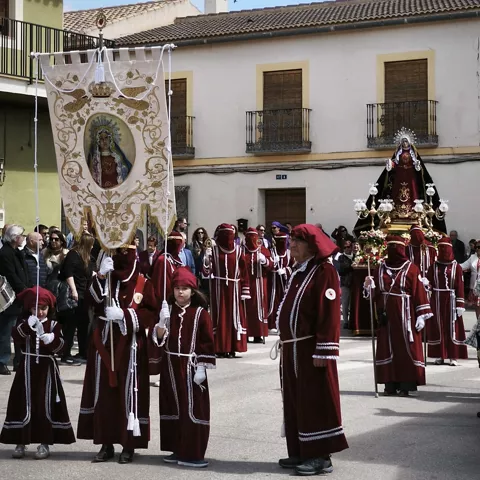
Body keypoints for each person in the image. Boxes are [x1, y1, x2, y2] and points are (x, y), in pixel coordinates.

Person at [274, 224, 348, 475]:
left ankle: (320, 456)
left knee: (315, 401)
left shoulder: (324, 271)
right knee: (296, 401)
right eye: (291, 240)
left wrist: (324, 350)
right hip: (293, 350)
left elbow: (329, 313)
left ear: (312, 245)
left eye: (297, 241)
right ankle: (300, 451)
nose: (291, 245)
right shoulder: (300, 271)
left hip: (311, 350)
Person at [78, 245, 158, 464]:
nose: (121, 256)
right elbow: (90, 302)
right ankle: (106, 443)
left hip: (130, 345)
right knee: (104, 394)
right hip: (103, 343)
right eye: (117, 251)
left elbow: (151, 313)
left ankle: (129, 443)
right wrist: (101, 275)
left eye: (126, 251)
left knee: (129, 393)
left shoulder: (143, 282)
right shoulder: (106, 276)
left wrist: (124, 315)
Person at [0, 287, 75, 459]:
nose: (40, 312)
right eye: (36, 308)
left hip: (46, 371)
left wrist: (52, 339)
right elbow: (15, 336)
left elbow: (62, 348)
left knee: (44, 404)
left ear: (49, 308)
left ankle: (45, 442)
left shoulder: (54, 325)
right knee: (23, 403)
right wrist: (27, 325)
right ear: (30, 308)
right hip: (26, 368)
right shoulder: (25, 322)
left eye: (43, 308)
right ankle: (21, 441)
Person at [153, 267, 215, 468]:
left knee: (192, 408)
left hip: (191, 367)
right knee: (173, 406)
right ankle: (177, 447)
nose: (180, 292)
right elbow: (159, 340)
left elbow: (207, 343)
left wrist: (201, 368)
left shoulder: (200, 313)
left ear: (193, 291)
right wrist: (161, 323)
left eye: (185, 289)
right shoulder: (168, 312)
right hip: (171, 366)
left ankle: (193, 453)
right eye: (177, 288)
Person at [365, 235, 433, 396]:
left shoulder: (411, 268)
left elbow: (418, 292)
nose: (393, 251)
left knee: (405, 348)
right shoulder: (380, 267)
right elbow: (375, 294)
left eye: (396, 248)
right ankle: (390, 384)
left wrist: (421, 315)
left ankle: (406, 384)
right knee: (387, 347)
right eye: (390, 248)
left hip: (406, 315)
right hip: (386, 315)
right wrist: (369, 285)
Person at [354, 132, 447, 235]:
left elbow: (418, 167)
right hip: (399, 176)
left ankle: (413, 212)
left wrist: (416, 165)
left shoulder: (413, 152)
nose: (405, 143)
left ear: (409, 142)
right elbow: (394, 163)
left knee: (412, 194)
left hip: (410, 177)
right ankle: (395, 212)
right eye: (403, 141)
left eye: (406, 141)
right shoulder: (398, 152)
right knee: (397, 194)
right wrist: (390, 164)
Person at [203, 223, 250, 358]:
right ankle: (220, 347)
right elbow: (206, 272)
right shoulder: (214, 250)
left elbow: (244, 271)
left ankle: (233, 347)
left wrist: (245, 290)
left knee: (233, 317)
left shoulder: (239, 250)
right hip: (219, 287)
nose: (227, 238)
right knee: (220, 316)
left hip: (234, 288)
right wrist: (206, 258)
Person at [426, 237, 468, 366]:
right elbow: (429, 284)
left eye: (445, 248)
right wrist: (425, 284)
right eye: (441, 249)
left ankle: (453, 356)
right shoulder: (433, 266)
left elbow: (460, 286)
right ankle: (440, 355)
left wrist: (460, 304)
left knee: (452, 328)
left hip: (451, 299)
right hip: (437, 298)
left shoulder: (456, 267)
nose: (443, 251)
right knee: (438, 327)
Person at [57, 232, 95, 365]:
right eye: (91, 245)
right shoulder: (73, 255)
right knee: (70, 325)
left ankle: (82, 352)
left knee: (83, 324)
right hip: (74, 294)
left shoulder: (88, 257)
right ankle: (65, 353)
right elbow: (68, 273)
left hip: (84, 294)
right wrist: (73, 290)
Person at [0, 224, 30, 375]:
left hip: (19, 297)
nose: (23, 239)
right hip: (9, 298)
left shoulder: (17, 252)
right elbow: (11, 275)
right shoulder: (5, 253)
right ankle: (2, 361)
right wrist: (23, 290)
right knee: (6, 330)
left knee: (18, 328)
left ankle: (18, 359)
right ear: (15, 238)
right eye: (21, 236)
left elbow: (23, 271)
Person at [242, 228, 272, 343]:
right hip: (245, 282)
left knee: (258, 307)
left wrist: (264, 261)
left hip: (259, 283)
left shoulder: (263, 250)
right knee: (246, 308)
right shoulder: (242, 251)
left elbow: (272, 266)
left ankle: (258, 334)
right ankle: (246, 333)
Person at [87, 118, 132, 189]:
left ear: (110, 139)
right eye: (101, 138)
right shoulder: (95, 159)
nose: (104, 141)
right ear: (98, 141)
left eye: (106, 138)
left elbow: (124, 174)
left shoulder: (117, 157)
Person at [268, 229, 292, 331]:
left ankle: (284, 323)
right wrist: (273, 264)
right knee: (273, 301)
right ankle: (273, 323)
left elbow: (294, 267)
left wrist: (285, 270)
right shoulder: (272, 252)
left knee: (285, 301)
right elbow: (267, 265)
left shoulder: (289, 253)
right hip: (273, 281)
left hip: (285, 282)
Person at [336, 240, 355, 329]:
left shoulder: (356, 256)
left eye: (348, 247)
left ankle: (353, 320)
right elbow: (342, 269)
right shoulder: (341, 257)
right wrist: (352, 265)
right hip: (345, 283)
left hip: (355, 283)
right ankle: (346, 321)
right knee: (345, 303)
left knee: (353, 302)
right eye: (345, 247)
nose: (347, 249)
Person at [461, 241, 480, 318]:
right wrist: (452, 264)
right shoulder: (472, 257)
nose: (478, 249)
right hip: (475, 287)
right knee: (477, 307)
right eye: (477, 247)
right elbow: (462, 266)